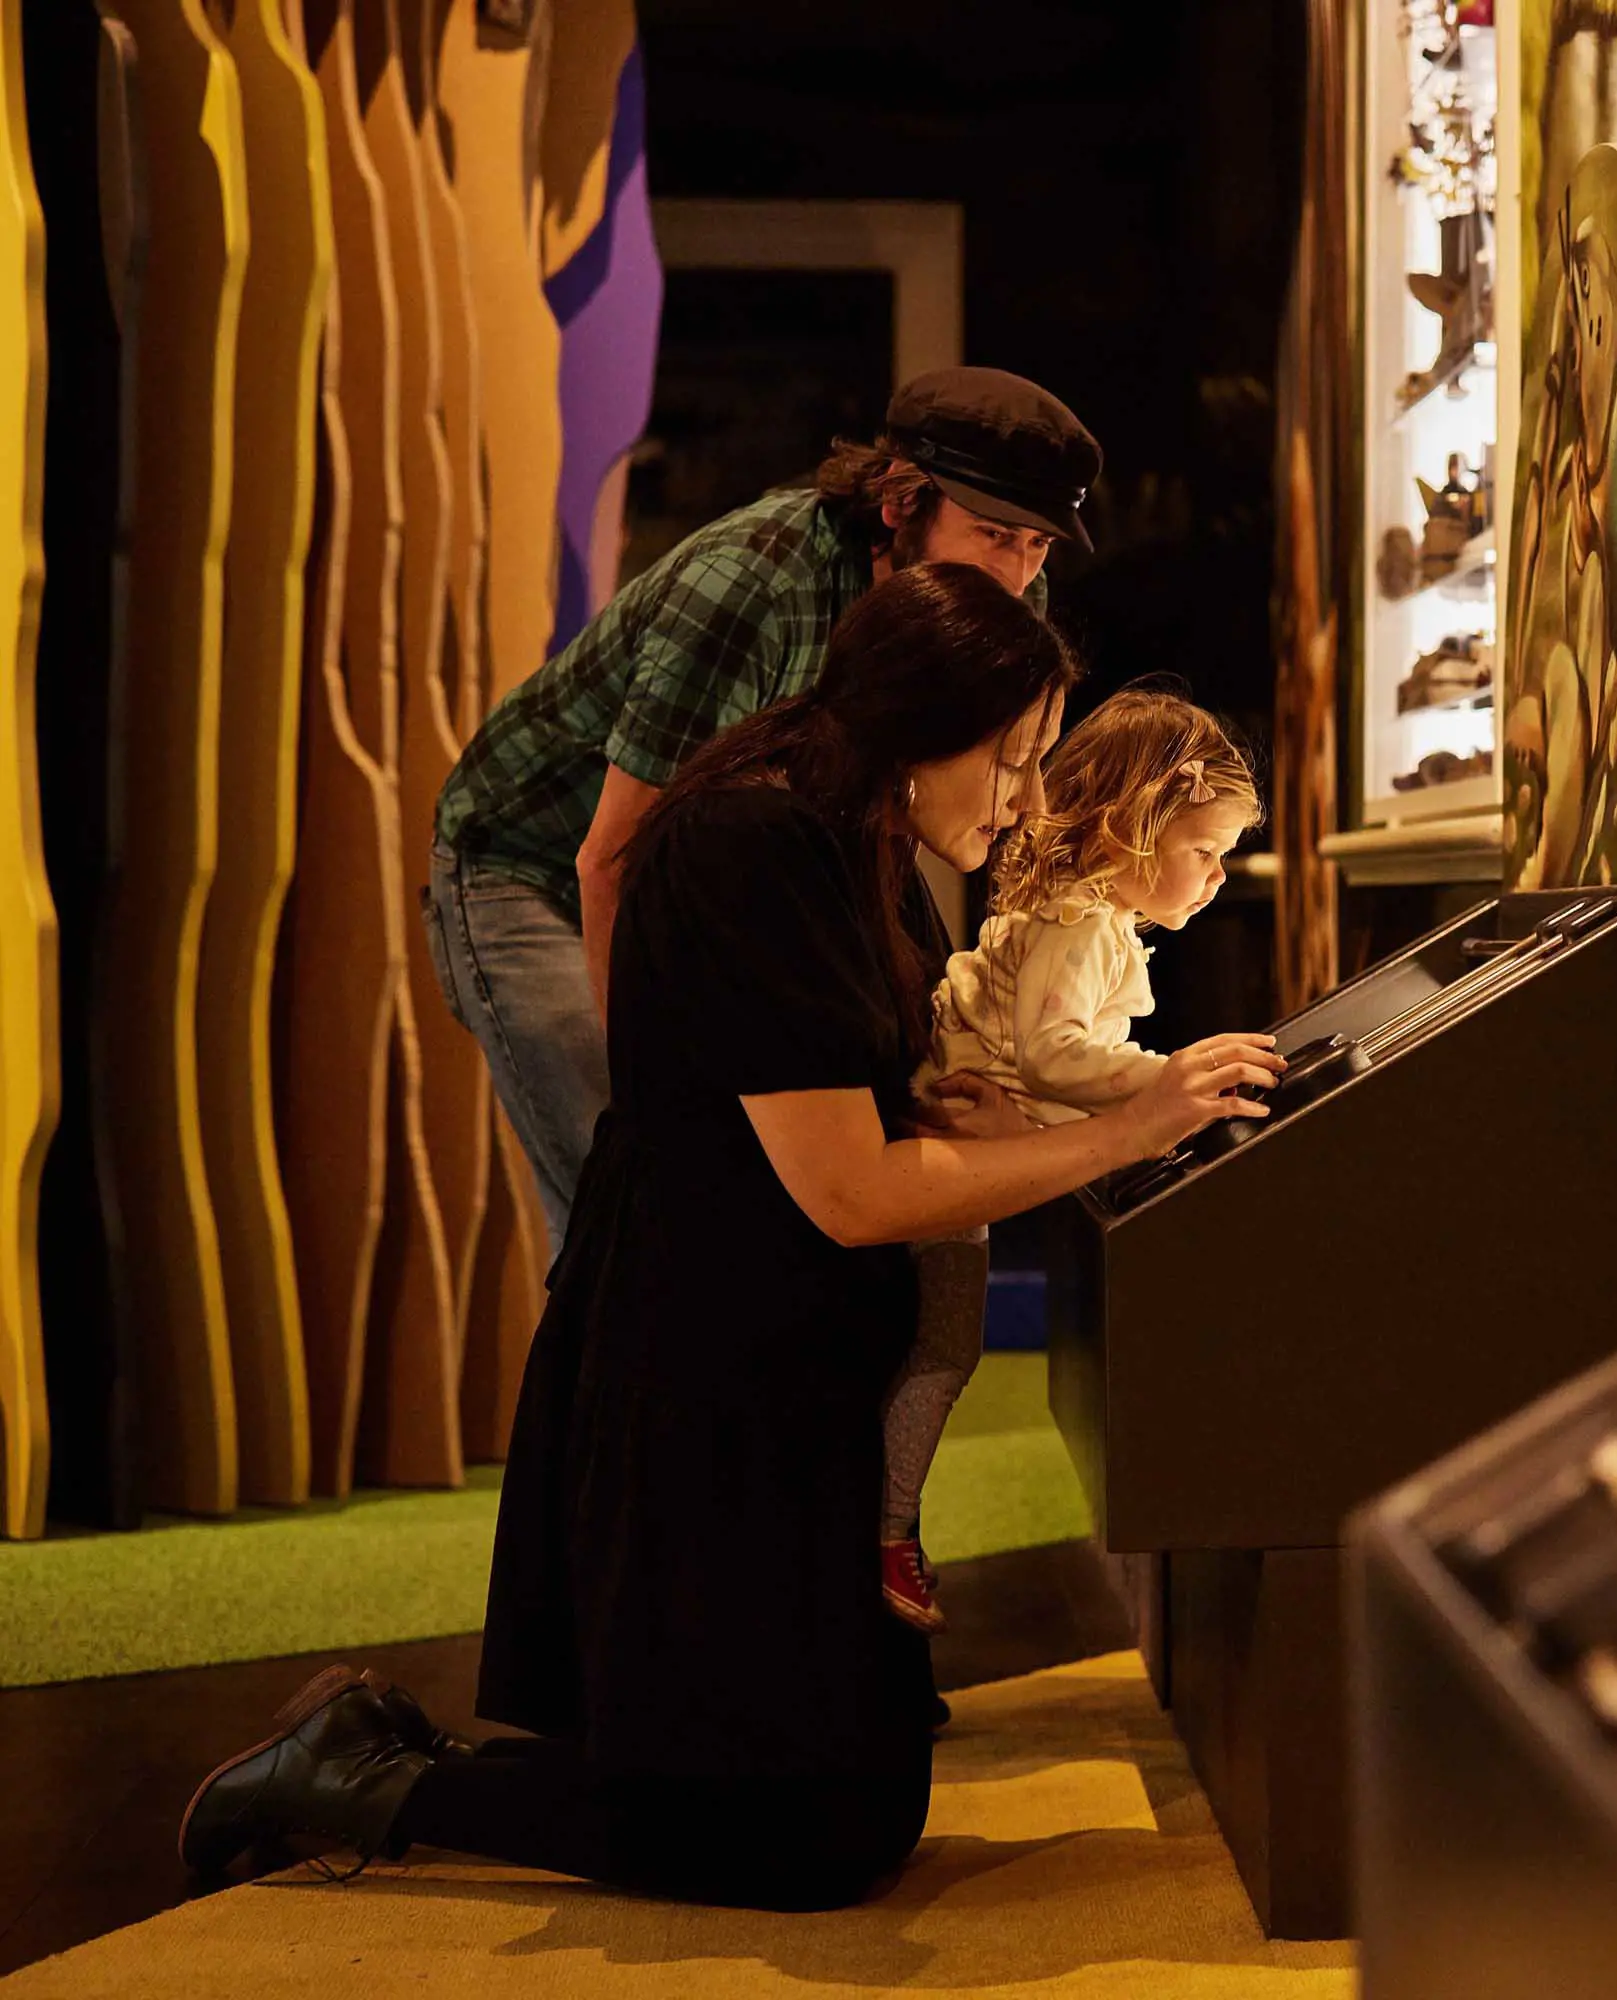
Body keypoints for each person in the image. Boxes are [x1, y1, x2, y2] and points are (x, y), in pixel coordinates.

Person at [181, 567, 1284, 1911]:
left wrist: (951, 1101)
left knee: (863, 1809)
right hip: (701, 1375)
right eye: (1011, 759)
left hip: (791, 1374)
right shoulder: (754, 843)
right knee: (800, 1841)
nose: (1022, 799)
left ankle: (396, 1752)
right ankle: (368, 1778)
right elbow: (846, 1193)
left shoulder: (869, 840)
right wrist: (1125, 1127)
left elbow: (858, 1101)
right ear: (922, 723)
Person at [428, 367, 1102, 1247]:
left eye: (1037, 546)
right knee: (638, 1195)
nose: (1016, 575)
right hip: (536, 866)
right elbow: (614, 856)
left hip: (696, 869)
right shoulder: (753, 587)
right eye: (993, 536)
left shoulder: (996, 599)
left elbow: (896, 814)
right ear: (903, 502)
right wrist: (658, 1101)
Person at [878, 688, 1264, 1632]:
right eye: (1203, 853)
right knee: (941, 1345)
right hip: (954, 1158)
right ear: (1138, 827)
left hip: (968, 1137)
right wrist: (1164, 1082)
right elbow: (1053, 1053)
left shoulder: (1075, 914)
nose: (1216, 879)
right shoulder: (1083, 925)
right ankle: (886, 1528)